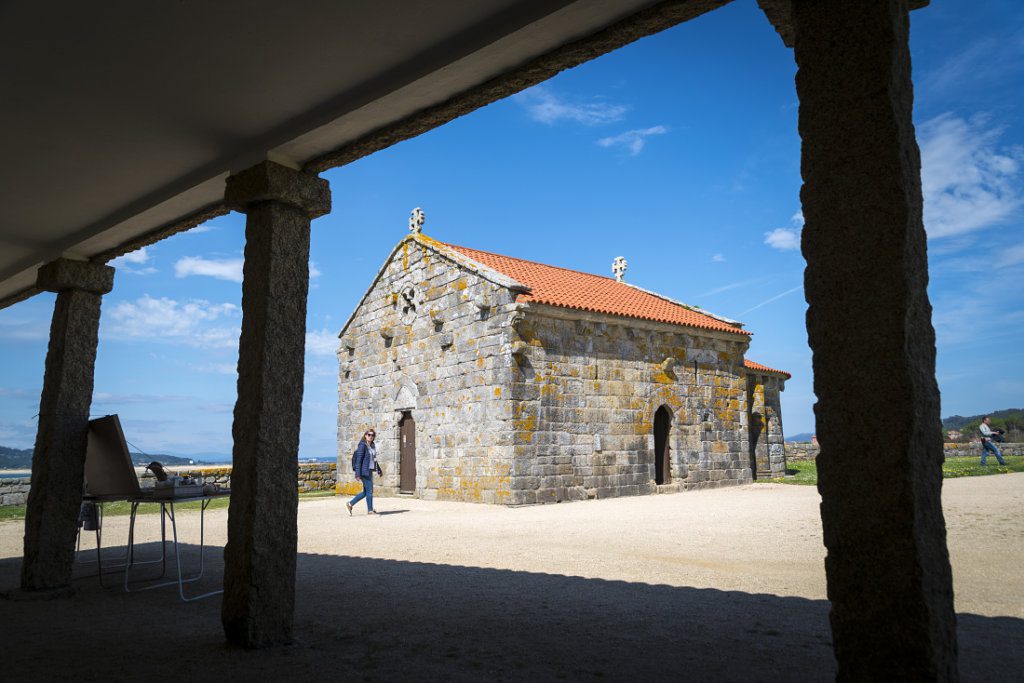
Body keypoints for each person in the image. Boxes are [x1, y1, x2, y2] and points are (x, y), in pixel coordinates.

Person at [347, 429, 380, 515]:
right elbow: (359, 460)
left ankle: (350, 504)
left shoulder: (372, 446)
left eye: (372, 435)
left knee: (366, 492)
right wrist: (357, 474)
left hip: (369, 470)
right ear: (365, 435)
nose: (371, 437)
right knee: (370, 491)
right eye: (369, 435)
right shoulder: (362, 445)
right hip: (364, 471)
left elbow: (374, 459)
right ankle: (370, 510)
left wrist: (379, 469)